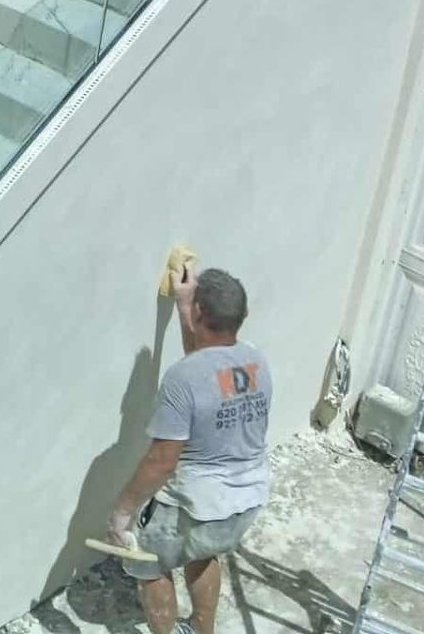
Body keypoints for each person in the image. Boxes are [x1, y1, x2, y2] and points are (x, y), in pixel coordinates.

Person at [107, 265, 271, 634]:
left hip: (198, 504)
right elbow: (204, 371)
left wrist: (121, 515)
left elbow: (162, 461)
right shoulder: (256, 361)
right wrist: (184, 306)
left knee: (147, 562)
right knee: (200, 552)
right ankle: (201, 630)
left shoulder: (183, 379)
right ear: (241, 317)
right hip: (245, 503)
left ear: (201, 313)